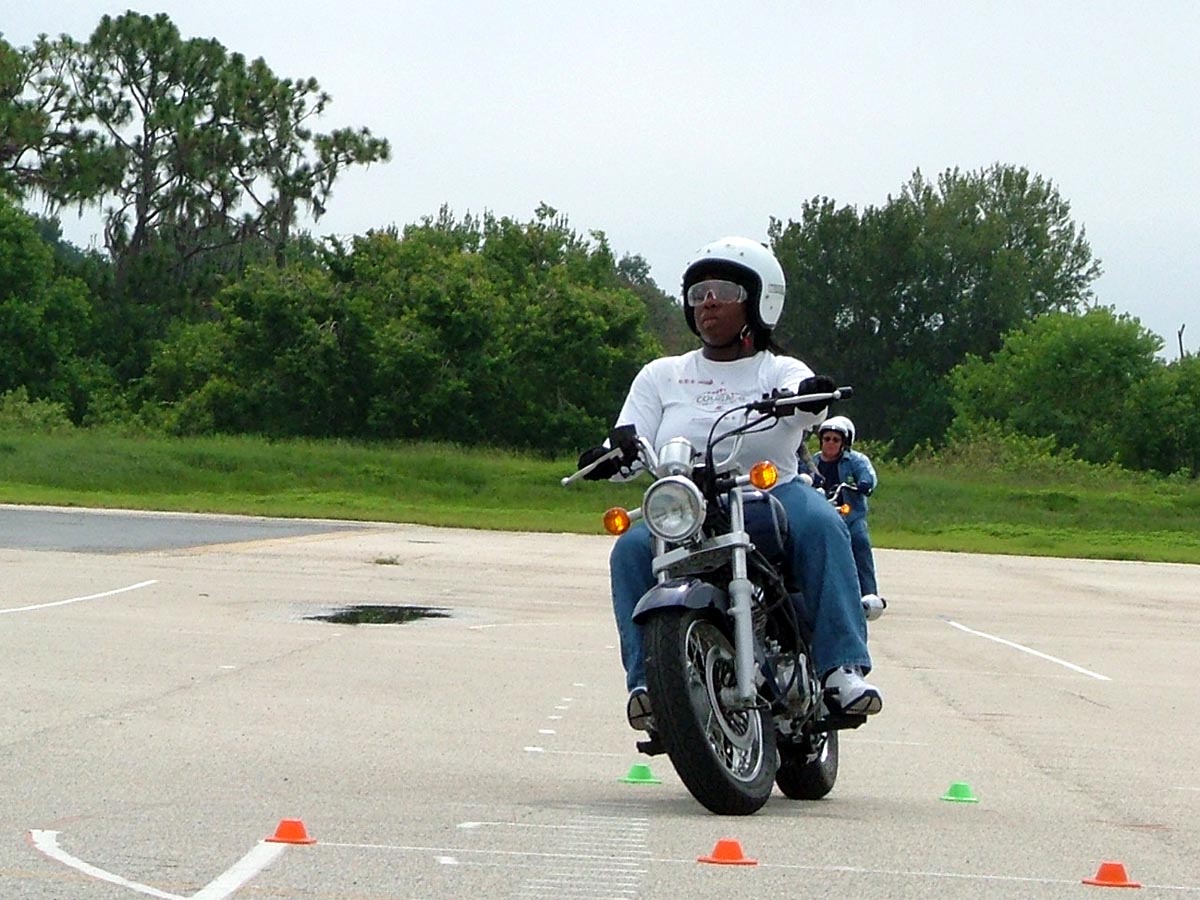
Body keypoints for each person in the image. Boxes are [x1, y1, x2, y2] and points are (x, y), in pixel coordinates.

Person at [576, 236, 882, 739]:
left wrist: (810, 397)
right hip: (687, 503)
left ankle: (841, 669)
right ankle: (648, 685)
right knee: (629, 550)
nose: (708, 302)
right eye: (697, 294)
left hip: (771, 492)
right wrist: (610, 455)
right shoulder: (662, 375)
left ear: (759, 301)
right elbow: (629, 438)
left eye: (722, 291)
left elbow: (810, 404)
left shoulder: (779, 369)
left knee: (824, 523)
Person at [811, 416, 884, 606]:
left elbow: (867, 475)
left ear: (844, 443)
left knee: (860, 543)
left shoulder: (855, 461)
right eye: (827, 439)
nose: (830, 443)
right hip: (821, 515)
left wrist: (865, 483)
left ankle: (869, 595)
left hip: (850, 516)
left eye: (836, 440)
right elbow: (800, 475)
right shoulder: (813, 462)